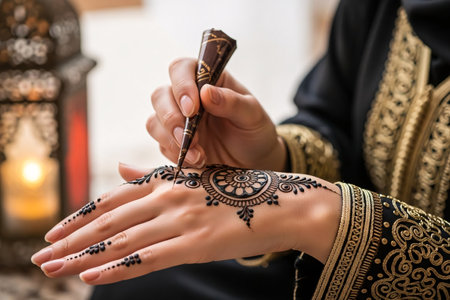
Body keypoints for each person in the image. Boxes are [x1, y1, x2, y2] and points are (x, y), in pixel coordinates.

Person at [31, 0, 449, 299]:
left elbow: (315, 211)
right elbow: (334, 123)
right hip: (319, 268)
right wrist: (270, 159)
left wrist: (324, 216)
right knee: (140, 283)